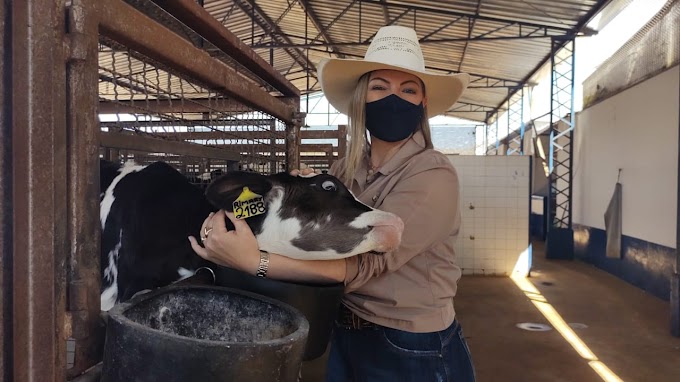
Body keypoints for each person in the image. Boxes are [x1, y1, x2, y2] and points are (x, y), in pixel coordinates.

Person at [189, 25, 475, 382]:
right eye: (380, 87)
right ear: (362, 98)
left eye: (408, 89)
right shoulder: (347, 167)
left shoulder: (433, 174)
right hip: (344, 329)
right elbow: (308, 227)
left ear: (423, 103)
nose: (393, 99)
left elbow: (363, 265)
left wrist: (255, 261)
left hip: (412, 343)